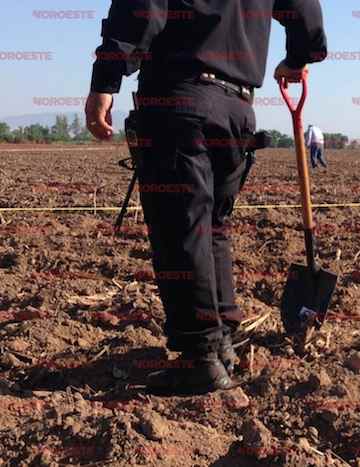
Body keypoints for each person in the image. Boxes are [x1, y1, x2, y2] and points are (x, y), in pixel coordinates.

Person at [85, 0, 327, 395]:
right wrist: (299, 56)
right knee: (212, 226)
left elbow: (141, 7)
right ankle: (221, 341)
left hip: (179, 99)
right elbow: (304, 10)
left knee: (181, 229)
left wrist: (106, 80)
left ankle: (200, 356)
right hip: (237, 108)